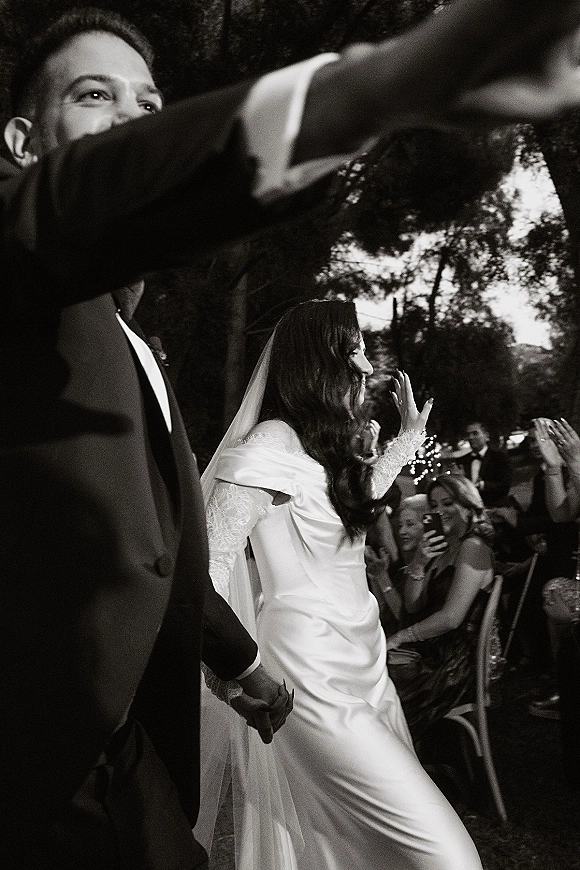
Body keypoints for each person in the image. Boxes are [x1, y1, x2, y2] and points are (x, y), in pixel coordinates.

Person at [3, 2, 580, 867]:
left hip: (131, 773)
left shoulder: (131, 346)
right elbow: (70, 199)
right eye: (95, 95)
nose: (130, 120)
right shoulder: (18, 255)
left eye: (151, 106)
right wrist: (370, 88)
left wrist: (237, 668)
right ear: (19, 143)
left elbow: (164, 555)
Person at [199, 298, 487, 870]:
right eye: (352, 350)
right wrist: (234, 677)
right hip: (307, 675)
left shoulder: (321, 447)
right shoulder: (269, 445)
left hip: (364, 657)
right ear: (318, 360)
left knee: (343, 845)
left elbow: (359, 497)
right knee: (448, 857)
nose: (363, 367)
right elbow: (202, 574)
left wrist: (408, 437)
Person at [387, 475, 495, 746]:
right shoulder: (442, 547)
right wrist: (419, 564)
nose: (439, 511)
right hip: (433, 651)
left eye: (448, 502)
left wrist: (400, 637)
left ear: (469, 505)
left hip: (454, 663)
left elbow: (451, 618)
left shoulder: (473, 546)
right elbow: (413, 605)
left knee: (379, 690)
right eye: (433, 505)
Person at [458, 421, 512, 507]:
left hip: (494, 507)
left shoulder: (499, 457)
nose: (470, 437)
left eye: (475, 433)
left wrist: (482, 485)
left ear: (486, 436)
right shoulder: (462, 461)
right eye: (468, 434)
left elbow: (505, 486)